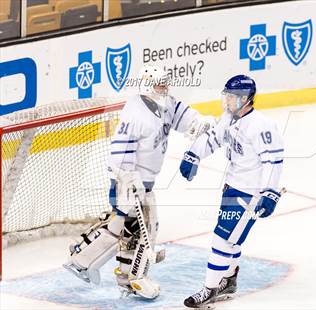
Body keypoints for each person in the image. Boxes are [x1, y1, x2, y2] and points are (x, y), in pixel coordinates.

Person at [63, 65, 214, 299]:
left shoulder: (165, 104)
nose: (164, 87)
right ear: (147, 86)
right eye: (159, 83)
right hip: (130, 180)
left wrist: (201, 123)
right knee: (142, 230)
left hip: (145, 180)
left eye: (165, 82)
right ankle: (129, 277)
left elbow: (185, 119)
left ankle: (90, 263)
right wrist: (124, 180)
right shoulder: (135, 113)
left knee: (126, 229)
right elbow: (121, 150)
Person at [179, 75, 284, 308]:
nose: (227, 100)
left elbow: (273, 161)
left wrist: (269, 193)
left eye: (232, 96)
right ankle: (229, 280)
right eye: (226, 95)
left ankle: (209, 290)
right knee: (231, 241)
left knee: (222, 239)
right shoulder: (229, 118)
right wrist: (193, 154)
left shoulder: (261, 125)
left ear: (246, 99)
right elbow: (213, 137)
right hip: (232, 187)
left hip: (249, 194)